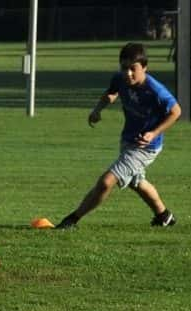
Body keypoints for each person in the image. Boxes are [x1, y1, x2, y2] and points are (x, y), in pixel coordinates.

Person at [57, 43, 181, 229]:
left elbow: (176, 111)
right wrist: (98, 110)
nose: (128, 73)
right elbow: (112, 93)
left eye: (133, 69)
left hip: (145, 146)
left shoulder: (156, 90)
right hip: (128, 140)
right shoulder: (120, 79)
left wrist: (153, 133)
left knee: (107, 181)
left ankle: (72, 219)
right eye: (125, 68)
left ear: (144, 68)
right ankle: (164, 216)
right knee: (136, 182)